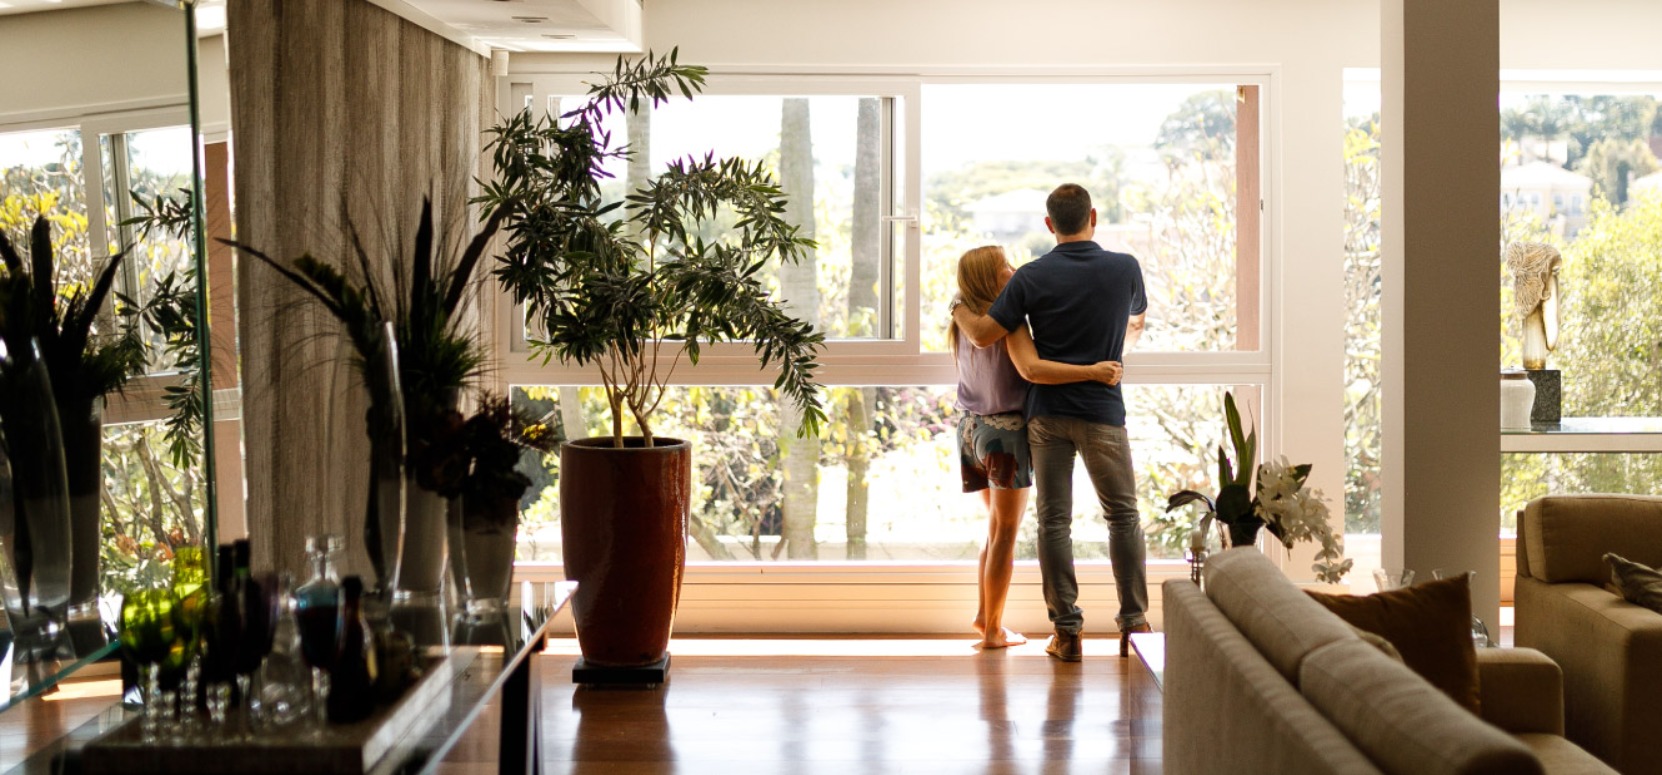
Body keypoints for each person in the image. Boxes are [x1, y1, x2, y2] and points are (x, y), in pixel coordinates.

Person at [952, 184, 1148, 661]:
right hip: (1102, 411)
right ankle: (1134, 625)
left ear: (1048, 224)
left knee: (1052, 523)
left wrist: (956, 305)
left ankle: (1067, 632)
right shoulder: (1125, 268)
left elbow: (984, 334)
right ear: (1094, 216)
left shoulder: (1030, 278)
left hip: (1045, 418)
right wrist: (1110, 349)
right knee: (1122, 517)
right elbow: (1137, 320)